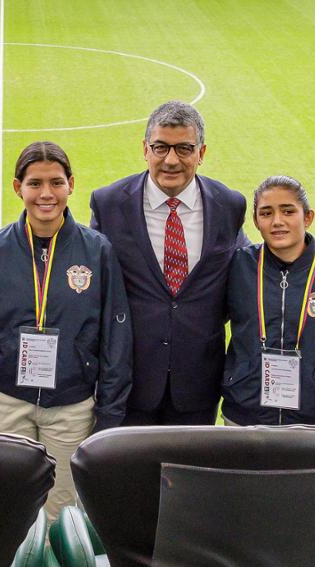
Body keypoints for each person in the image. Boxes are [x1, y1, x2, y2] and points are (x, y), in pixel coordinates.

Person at [0, 141, 131, 521]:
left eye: (56, 182)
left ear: (71, 184)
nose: (46, 194)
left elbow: (115, 337)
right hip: (6, 403)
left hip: (71, 408)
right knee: (9, 511)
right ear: (17, 187)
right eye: (35, 183)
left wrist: (109, 414)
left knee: (62, 513)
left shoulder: (97, 251)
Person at [89, 101, 247, 426]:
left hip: (199, 382)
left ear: (202, 153)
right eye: (161, 147)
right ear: (145, 149)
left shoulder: (229, 205)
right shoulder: (109, 203)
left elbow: (251, 263)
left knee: (190, 461)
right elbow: (89, 273)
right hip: (129, 381)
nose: (171, 160)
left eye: (184, 149)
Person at [220, 176, 315, 426]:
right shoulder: (238, 266)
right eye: (266, 213)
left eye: (288, 211)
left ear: (308, 217)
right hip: (245, 416)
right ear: (256, 221)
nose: (277, 221)